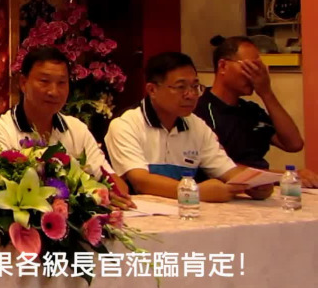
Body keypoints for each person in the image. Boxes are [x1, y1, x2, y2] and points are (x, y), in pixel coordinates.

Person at [105, 52, 273, 202]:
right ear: (152, 90)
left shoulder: (197, 126)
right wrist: (195, 192)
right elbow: (141, 181)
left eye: (195, 86)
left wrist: (254, 184)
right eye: (180, 87)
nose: (191, 95)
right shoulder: (126, 125)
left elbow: (227, 170)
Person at [0, 46, 134, 209]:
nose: (53, 92)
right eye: (44, 81)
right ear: (23, 83)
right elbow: (10, 193)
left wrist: (110, 192)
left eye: (61, 83)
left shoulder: (77, 129)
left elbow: (116, 184)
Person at [194, 36, 317, 187]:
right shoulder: (200, 109)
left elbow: (293, 144)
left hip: (263, 188)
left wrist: (266, 93)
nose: (255, 75)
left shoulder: (251, 110)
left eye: (259, 68)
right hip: (227, 187)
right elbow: (220, 167)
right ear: (223, 66)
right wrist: (287, 176)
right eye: (249, 67)